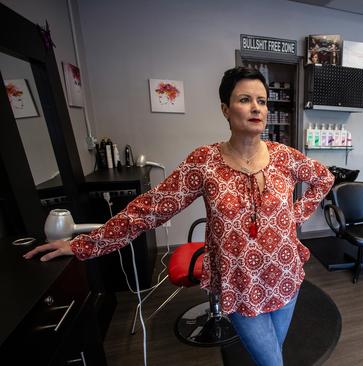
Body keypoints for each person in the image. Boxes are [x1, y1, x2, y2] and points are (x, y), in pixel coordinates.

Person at [24, 66, 335, 366]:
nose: (256, 108)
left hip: (285, 275)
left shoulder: (284, 157)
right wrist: (82, 245)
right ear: (225, 109)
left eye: (262, 101)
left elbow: (324, 178)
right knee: (270, 360)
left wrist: (295, 216)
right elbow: (150, 208)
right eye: (245, 99)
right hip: (240, 282)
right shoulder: (204, 162)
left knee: (272, 351)